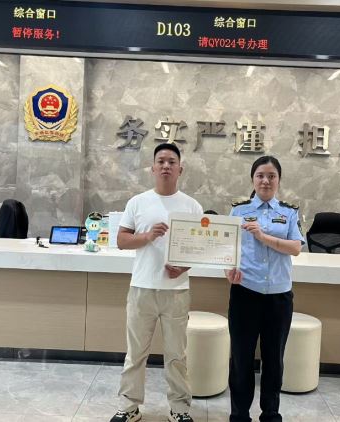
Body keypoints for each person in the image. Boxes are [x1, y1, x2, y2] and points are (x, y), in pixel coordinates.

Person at [110, 143, 203, 422]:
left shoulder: (192, 206)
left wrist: (183, 267)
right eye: (161, 161)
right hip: (142, 288)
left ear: (180, 169)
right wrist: (148, 236)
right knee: (135, 353)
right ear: (152, 168)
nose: (166, 166)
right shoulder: (137, 202)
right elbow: (122, 240)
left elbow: (199, 249)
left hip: (177, 291)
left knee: (177, 355)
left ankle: (179, 409)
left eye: (171, 161)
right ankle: (129, 407)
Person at [225, 156, 304, 422]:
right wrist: (228, 271)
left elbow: (295, 247)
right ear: (252, 179)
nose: (266, 181)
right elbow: (227, 249)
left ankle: (270, 414)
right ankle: (239, 415)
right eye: (260, 175)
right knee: (241, 359)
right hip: (245, 293)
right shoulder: (238, 211)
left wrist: (263, 236)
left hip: (279, 297)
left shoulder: (289, 212)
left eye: (271, 176)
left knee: (274, 360)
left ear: (279, 180)